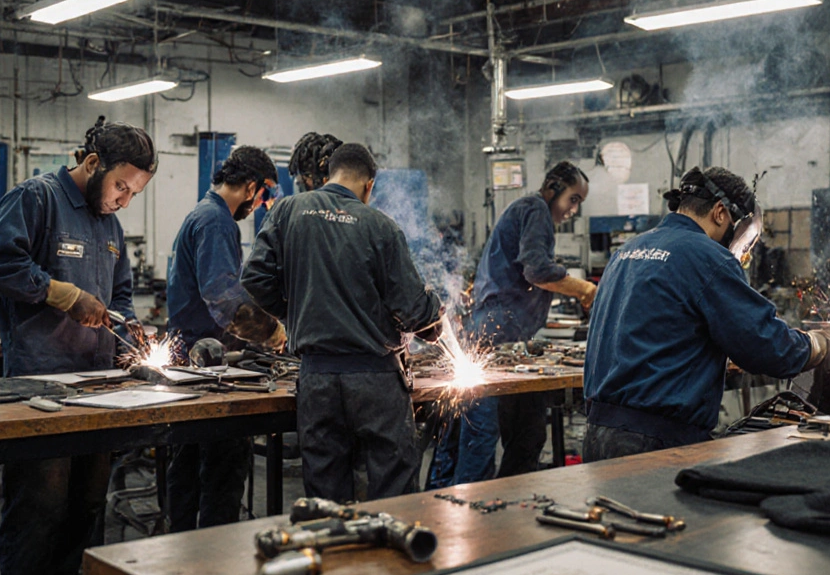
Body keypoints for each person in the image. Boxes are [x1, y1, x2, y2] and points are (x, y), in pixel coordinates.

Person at [0, 121, 155, 575]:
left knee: (85, 510)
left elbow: (120, 295)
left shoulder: (111, 225)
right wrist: (61, 293)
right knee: (40, 513)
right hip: (39, 393)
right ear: (93, 164)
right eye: (121, 186)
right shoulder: (37, 199)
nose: (124, 200)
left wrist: (132, 333)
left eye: (134, 193)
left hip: (97, 391)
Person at [583, 167, 830, 462]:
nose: (742, 250)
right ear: (720, 213)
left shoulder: (627, 251)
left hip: (597, 435)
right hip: (655, 444)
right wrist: (819, 343)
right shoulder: (706, 256)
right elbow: (766, 347)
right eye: (746, 238)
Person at [242, 143, 442, 502]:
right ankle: (389, 555)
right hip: (376, 380)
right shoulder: (380, 226)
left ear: (328, 175)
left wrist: (295, 312)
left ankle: (330, 556)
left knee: (324, 497)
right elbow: (414, 309)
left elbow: (254, 278)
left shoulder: (288, 210)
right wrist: (434, 318)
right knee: (392, 493)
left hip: (317, 378)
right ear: (369, 185)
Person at [431, 162, 598, 487]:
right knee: (480, 435)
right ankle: (466, 515)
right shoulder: (535, 208)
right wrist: (585, 289)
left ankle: (506, 504)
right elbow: (536, 271)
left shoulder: (526, 211)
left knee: (528, 433)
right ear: (552, 187)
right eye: (573, 199)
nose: (573, 210)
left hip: (507, 339)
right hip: (493, 336)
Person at [165, 145, 286, 532]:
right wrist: (272, 332)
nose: (263, 204)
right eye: (265, 195)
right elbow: (223, 299)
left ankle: (177, 561)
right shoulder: (217, 221)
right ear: (251, 187)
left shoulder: (201, 214)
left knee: (185, 473)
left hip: (190, 360)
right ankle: (214, 567)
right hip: (206, 368)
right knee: (221, 476)